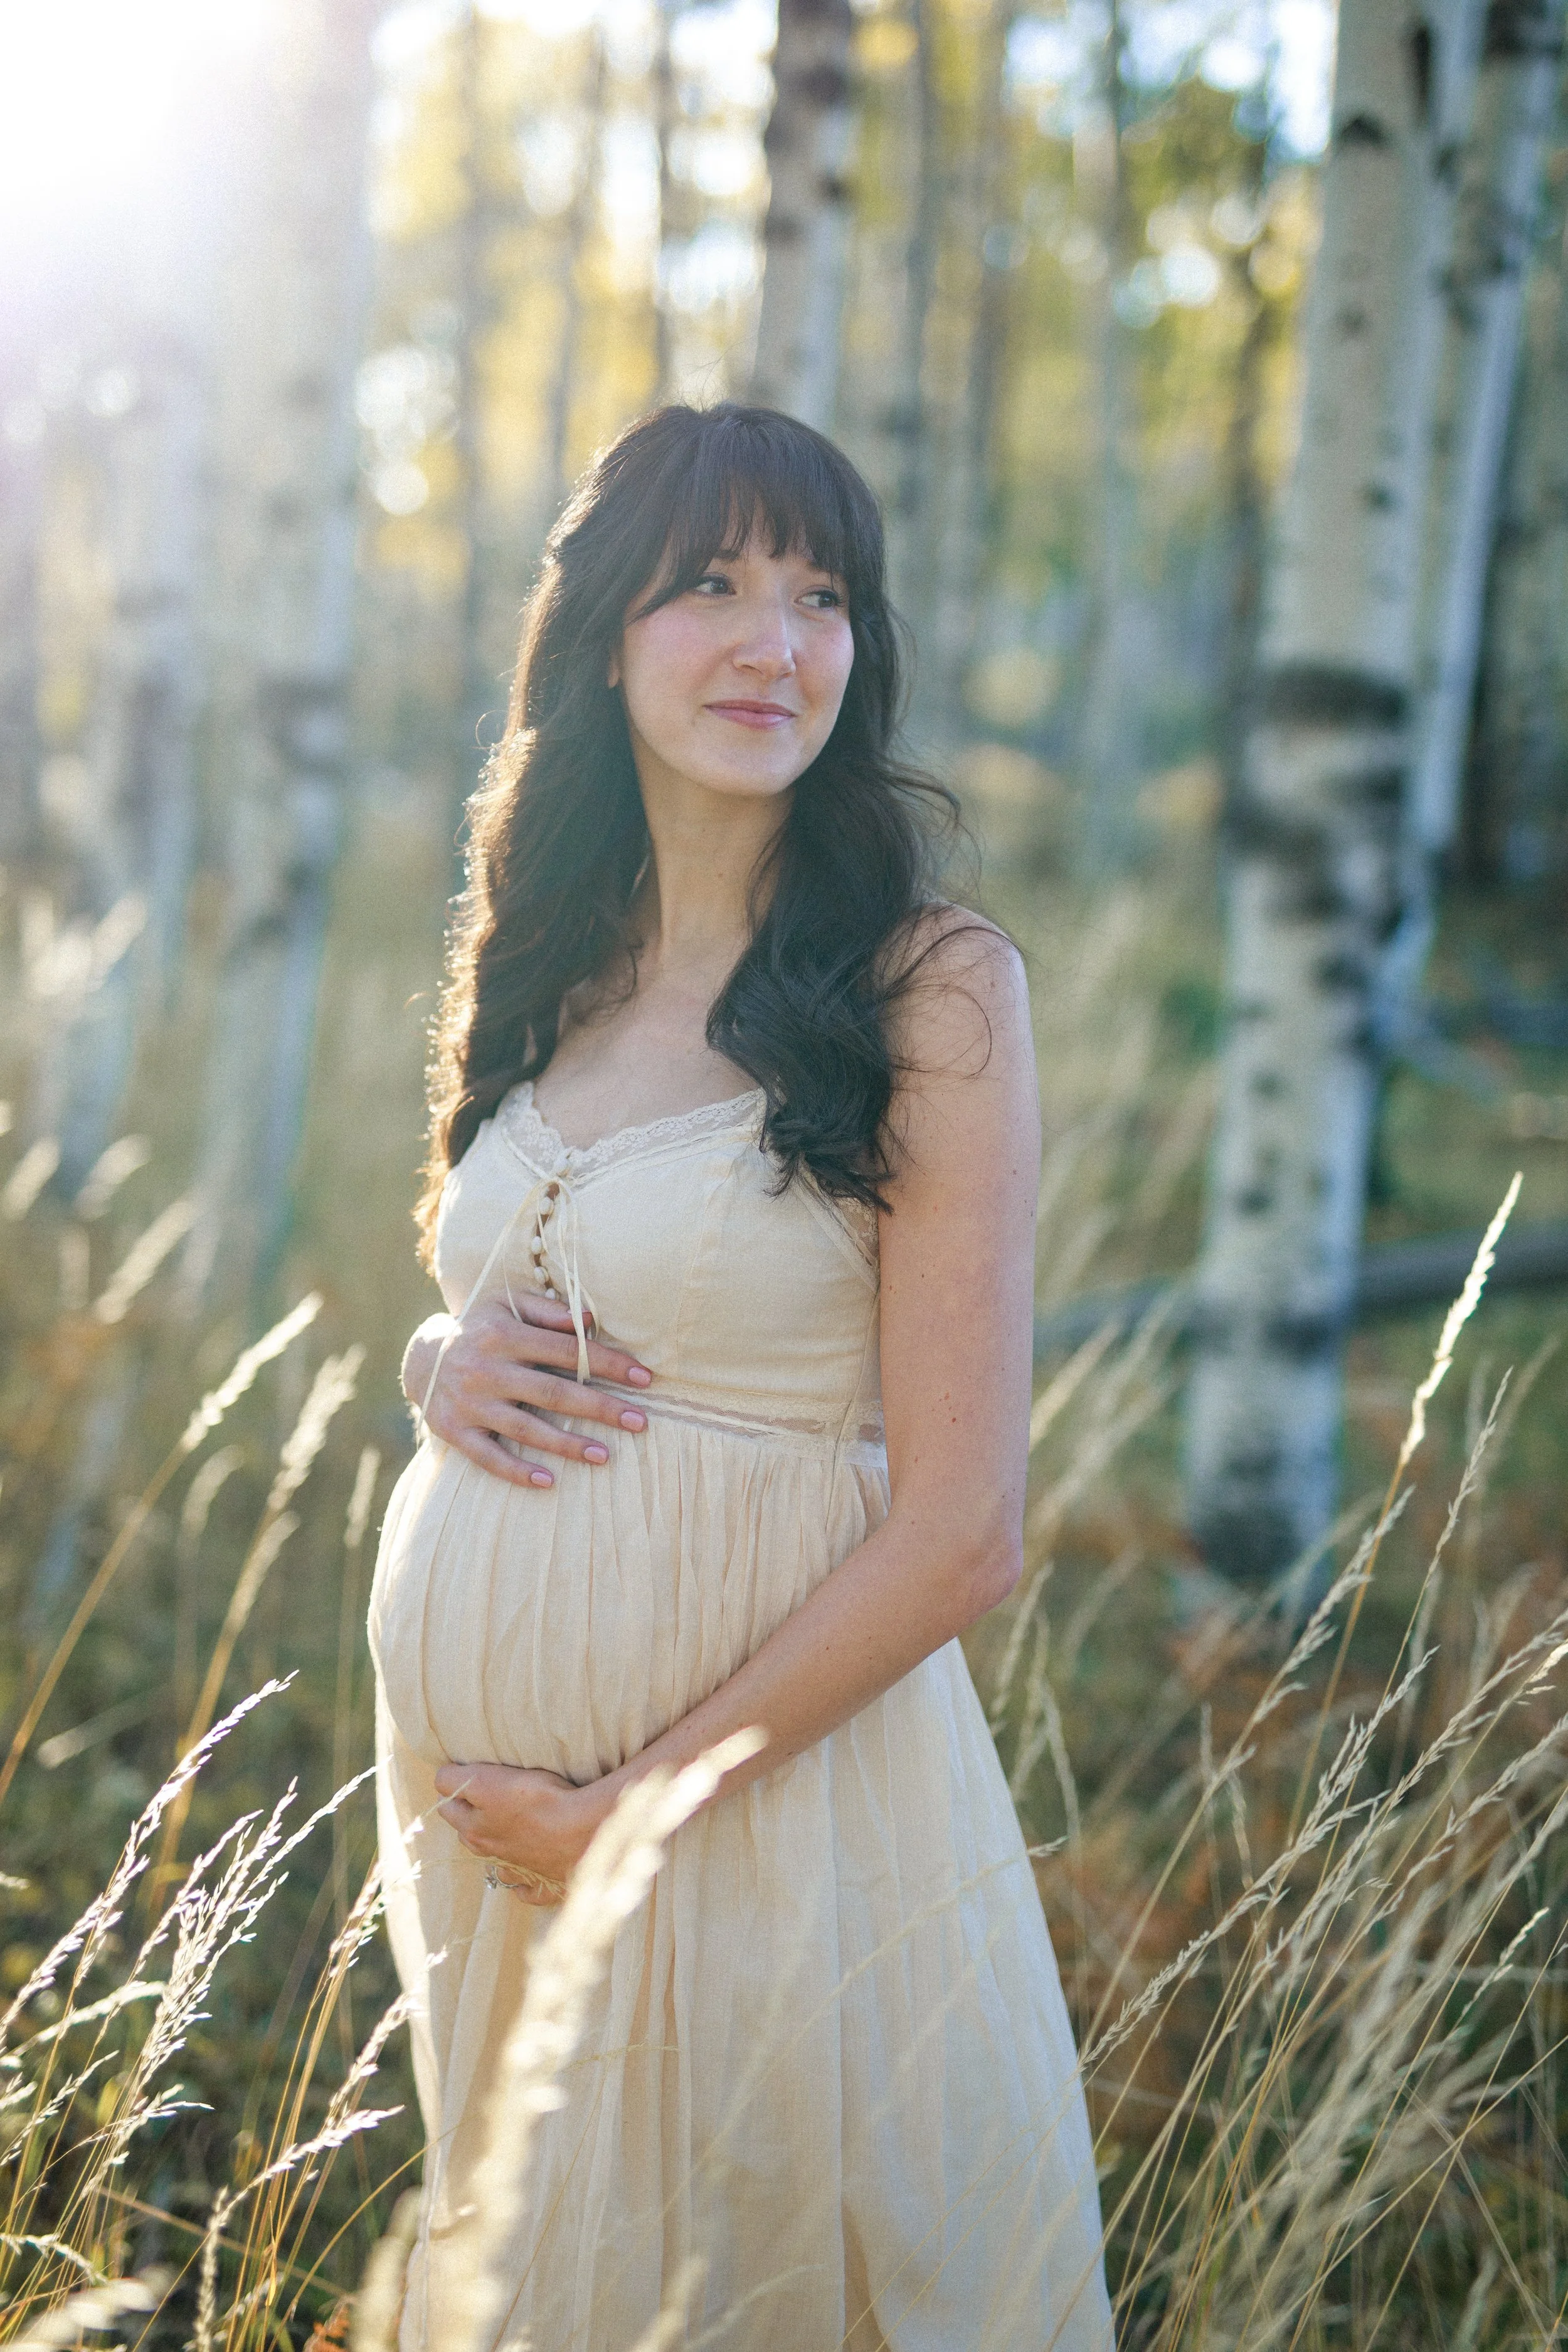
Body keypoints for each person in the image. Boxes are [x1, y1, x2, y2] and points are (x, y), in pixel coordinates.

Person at [369, 402, 1113, 2351]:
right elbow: (519, 1258)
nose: (772, 641)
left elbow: (961, 1532)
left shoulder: (926, 984)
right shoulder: (550, 948)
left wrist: (630, 1806)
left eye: (820, 593)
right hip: (501, 1851)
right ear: (605, 633)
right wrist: (438, 1357)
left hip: (760, 1826)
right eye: (709, 586)